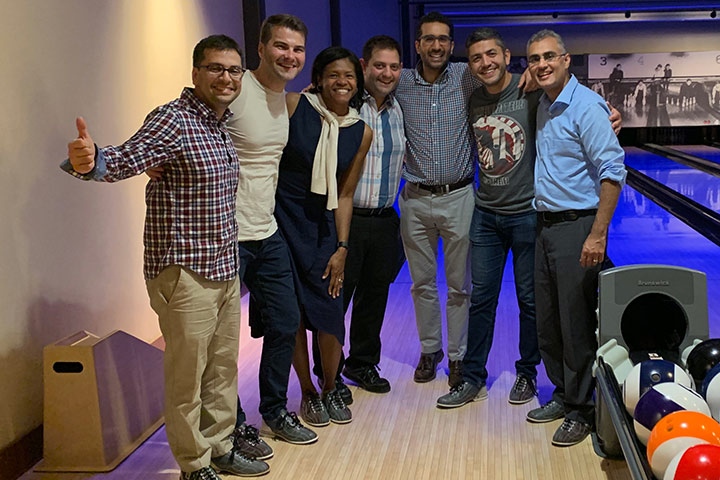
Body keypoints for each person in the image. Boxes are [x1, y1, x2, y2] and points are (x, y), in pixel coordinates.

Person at [62, 35, 269, 479]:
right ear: (195, 74)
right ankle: (194, 465)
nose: (226, 77)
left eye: (234, 70)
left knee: (221, 372)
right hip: (185, 270)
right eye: (216, 68)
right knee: (186, 380)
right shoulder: (172, 120)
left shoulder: (218, 124)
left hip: (224, 267)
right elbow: (123, 158)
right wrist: (90, 160)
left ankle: (220, 447)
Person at [436, 28, 621, 410]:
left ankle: (528, 374)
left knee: (534, 304)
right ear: (469, 66)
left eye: (492, 55)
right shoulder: (474, 100)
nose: (485, 63)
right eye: (476, 58)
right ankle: (472, 377)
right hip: (486, 214)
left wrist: (609, 114)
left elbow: (575, 103)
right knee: (482, 298)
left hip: (528, 215)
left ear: (506, 56)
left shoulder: (532, 93)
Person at [526, 29, 626, 447]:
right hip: (545, 225)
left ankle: (583, 410)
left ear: (567, 60)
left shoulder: (586, 107)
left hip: (577, 227)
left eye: (550, 56)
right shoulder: (544, 104)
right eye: (534, 59)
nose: (542, 63)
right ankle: (565, 395)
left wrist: (596, 235)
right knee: (548, 320)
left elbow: (613, 171)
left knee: (576, 324)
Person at [227, 14, 319, 448]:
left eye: (298, 49)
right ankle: (232, 425)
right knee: (223, 339)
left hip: (266, 232)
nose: (290, 55)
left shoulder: (287, 100)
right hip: (225, 237)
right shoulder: (234, 89)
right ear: (260, 48)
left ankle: (275, 410)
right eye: (281, 46)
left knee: (284, 322)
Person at [275, 47, 372, 426]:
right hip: (283, 222)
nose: (342, 82)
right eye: (333, 74)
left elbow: (345, 193)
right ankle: (309, 393)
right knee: (292, 314)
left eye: (349, 75)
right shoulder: (294, 105)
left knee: (330, 314)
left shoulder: (361, 131)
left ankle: (330, 386)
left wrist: (343, 246)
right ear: (318, 78)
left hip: (324, 228)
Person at [394, 11, 479, 387]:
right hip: (414, 199)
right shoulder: (401, 82)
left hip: (460, 195)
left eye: (443, 39)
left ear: (451, 44)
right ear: (418, 45)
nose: (436, 45)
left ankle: (458, 356)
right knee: (422, 284)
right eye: (429, 38)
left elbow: (514, 83)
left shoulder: (466, 77)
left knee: (460, 286)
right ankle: (431, 350)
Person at [336, 35, 406, 394]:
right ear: (364, 66)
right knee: (336, 298)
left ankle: (361, 363)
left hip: (384, 219)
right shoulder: (343, 104)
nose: (387, 73)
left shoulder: (400, 108)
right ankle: (328, 373)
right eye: (380, 65)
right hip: (344, 219)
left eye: (394, 66)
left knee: (374, 298)